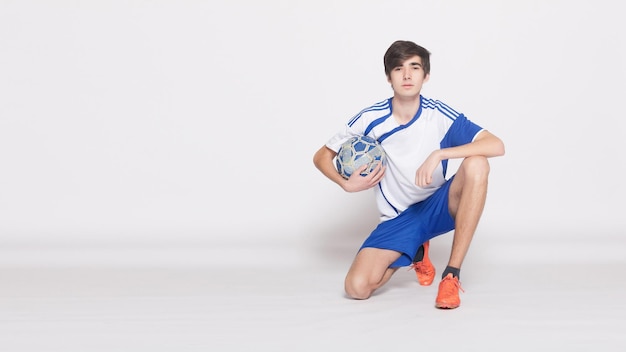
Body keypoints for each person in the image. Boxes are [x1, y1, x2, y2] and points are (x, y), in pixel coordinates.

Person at [313, 40, 505, 309]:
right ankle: (415, 252)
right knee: (356, 288)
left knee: (477, 164)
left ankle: (451, 275)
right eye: (398, 68)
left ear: (425, 76)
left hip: (439, 205)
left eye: (414, 67)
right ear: (388, 77)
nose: (406, 75)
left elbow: (496, 145)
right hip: (399, 218)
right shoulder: (371, 118)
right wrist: (345, 184)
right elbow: (321, 156)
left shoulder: (437, 114)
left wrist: (439, 154)